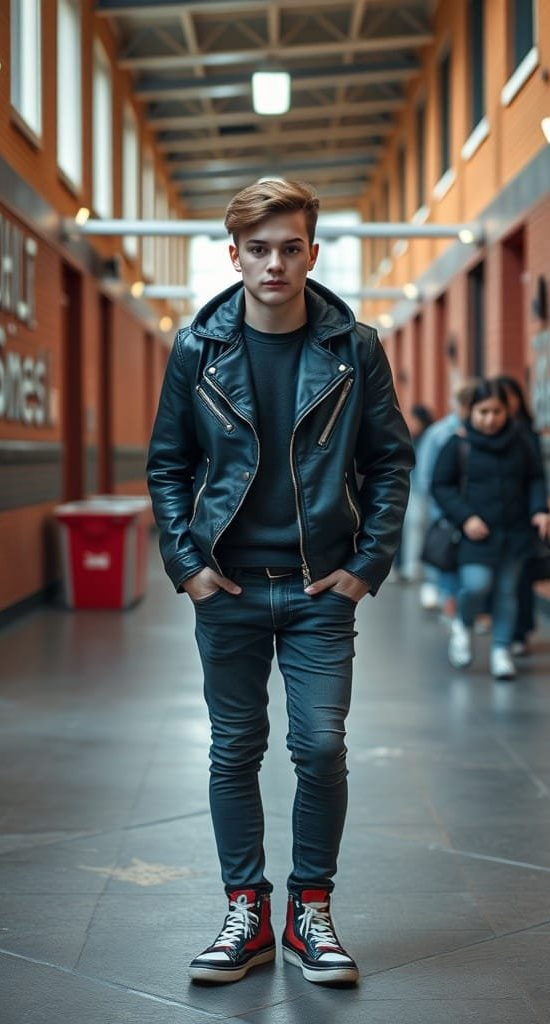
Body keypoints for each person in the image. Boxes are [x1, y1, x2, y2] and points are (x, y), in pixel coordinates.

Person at [147, 179, 414, 985]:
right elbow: (168, 464)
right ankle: (245, 913)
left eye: (289, 247)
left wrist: (364, 569)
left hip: (316, 589)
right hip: (225, 586)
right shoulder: (198, 349)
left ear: (312, 252)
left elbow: (391, 461)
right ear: (234, 255)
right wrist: (187, 567)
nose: (274, 263)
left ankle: (311, 910)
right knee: (234, 749)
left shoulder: (354, 348)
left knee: (320, 746)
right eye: (257, 249)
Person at [431, 378, 550, 680]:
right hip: (476, 534)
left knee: (508, 592)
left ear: (506, 410)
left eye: (496, 411)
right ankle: (463, 622)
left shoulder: (520, 441)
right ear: (471, 411)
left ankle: (501, 650)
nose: (490, 418)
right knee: (476, 584)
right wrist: (465, 517)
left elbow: (535, 477)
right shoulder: (458, 443)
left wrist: (539, 511)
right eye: (483, 411)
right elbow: (441, 486)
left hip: (515, 530)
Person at [416, 378, 480, 616]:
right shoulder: (440, 433)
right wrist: (441, 508)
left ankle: (467, 611)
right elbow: (426, 476)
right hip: (444, 510)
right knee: (447, 559)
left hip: (475, 512)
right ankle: (450, 608)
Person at [494, 374, 547, 655]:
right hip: (494, 519)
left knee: (522, 578)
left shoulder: (527, 433)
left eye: (508, 396)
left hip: (522, 518)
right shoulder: (490, 433)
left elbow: (537, 477)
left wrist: (539, 510)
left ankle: (519, 631)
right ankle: (504, 629)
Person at [398, 404, 435, 585]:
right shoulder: (415, 438)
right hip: (413, 488)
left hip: (421, 490)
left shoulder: (428, 437)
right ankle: (411, 566)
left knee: (417, 527)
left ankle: (416, 567)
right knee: (413, 527)